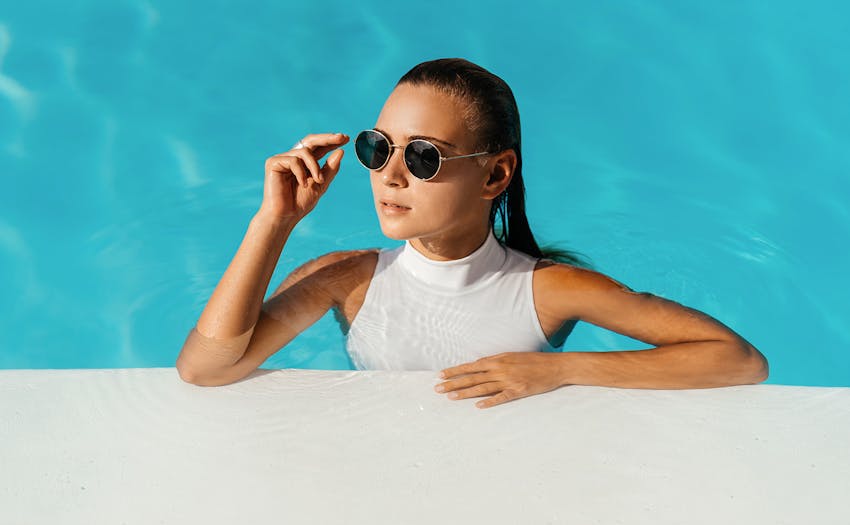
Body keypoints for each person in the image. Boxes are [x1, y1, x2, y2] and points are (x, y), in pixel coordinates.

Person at [176, 58, 769, 408]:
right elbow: (207, 369)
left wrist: (561, 368)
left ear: (494, 174)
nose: (392, 175)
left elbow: (738, 360)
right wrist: (273, 222)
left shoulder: (548, 291)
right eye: (377, 149)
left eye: (425, 156)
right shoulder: (346, 280)